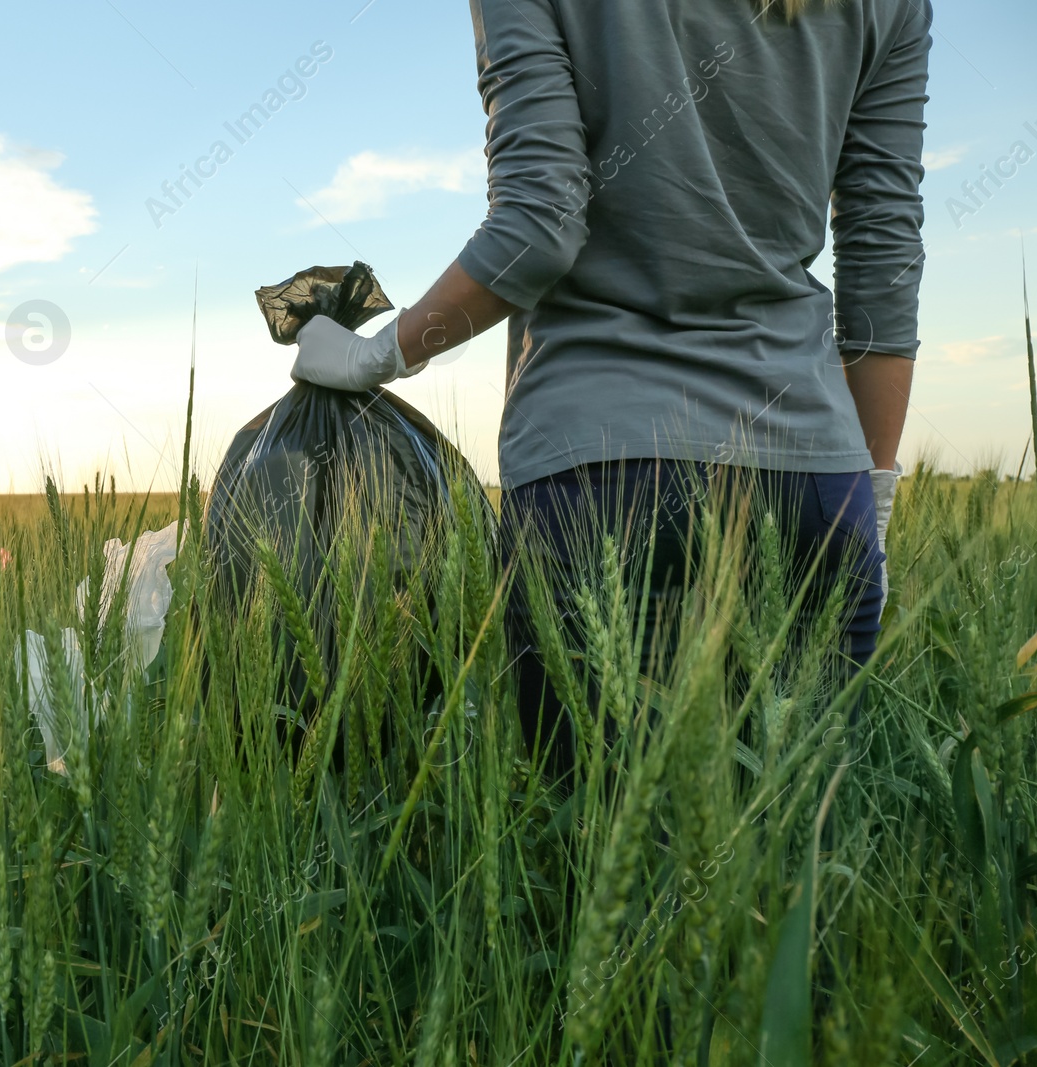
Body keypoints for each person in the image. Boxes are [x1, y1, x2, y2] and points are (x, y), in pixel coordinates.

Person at [289, 0, 930, 782]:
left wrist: (373, 355)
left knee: (595, 871)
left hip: (597, 477)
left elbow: (539, 223)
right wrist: (874, 495)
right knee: (794, 881)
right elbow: (882, 258)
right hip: (814, 488)